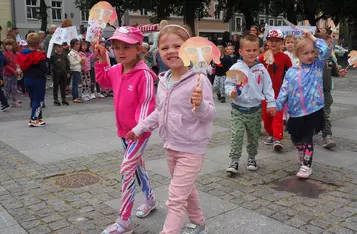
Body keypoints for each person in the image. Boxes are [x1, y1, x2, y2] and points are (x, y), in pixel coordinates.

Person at [127, 24, 215, 234]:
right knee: (186, 189)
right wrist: (139, 128)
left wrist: (200, 104)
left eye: (178, 45)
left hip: (192, 148)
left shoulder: (199, 80)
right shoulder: (164, 81)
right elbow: (159, 112)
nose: (171, 51)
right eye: (165, 48)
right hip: (170, 146)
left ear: (189, 49)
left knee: (175, 197)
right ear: (159, 53)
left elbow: (210, 115)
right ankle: (198, 222)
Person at [95, 26, 157, 234]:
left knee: (127, 170)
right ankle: (150, 199)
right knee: (137, 167)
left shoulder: (145, 75)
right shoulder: (116, 69)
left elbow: (147, 105)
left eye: (126, 47)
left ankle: (124, 221)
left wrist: (138, 130)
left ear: (139, 48)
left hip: (138, 133)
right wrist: (102, 58)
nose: (120, 51)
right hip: (123, 132)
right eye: (116, 47)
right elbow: (103, 81)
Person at [276, 31, 331, 178]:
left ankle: (307, 166)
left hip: (313, 111)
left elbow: (325, 49)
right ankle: (300, 149)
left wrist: (312, 38)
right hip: (295, 112)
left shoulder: (317, 66)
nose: (310, 56)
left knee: (307, 139)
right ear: (297, 54)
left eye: (313, 52)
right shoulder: (291, 72)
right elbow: (284, 89)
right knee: (295, 138)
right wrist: (278, 105)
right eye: (305, 53)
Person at [225, 34, 277, 174]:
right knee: (237, 135)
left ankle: (252, 158)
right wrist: (231, 92)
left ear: (259, 51)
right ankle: (234, 161)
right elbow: (228, 85)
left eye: (254, 50)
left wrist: (271, 103)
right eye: (248, 50)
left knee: (253, 136)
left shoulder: (261, 69)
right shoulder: (236, 67)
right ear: (241, 51)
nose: (252, 53)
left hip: (255, 110)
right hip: (238, 109)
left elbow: (268, 87)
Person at [259, 29, 292, 151]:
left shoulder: (285, 58)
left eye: (277, 41)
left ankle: (278, 138)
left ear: (282, 43)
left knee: (277, 116)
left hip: (279, 93)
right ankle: (271, 134)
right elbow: (255, 72)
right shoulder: (262, 57)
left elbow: (291, 73)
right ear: (267, 42)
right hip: (265, 93)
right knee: (267, 118)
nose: (274, 43)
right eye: (271, 40)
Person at [315, 33, 347, 149]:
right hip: (313, 93)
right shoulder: (311, 58)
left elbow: (335, 72)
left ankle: (327, 136)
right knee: (313, 116)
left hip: (326, 93)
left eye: (330, 46)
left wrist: (340, 73)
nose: (330, 48)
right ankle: (308, 133)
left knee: (325, 115)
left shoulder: (330, 59)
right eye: (328, 46)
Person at [17, 33, 48, 127]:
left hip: (27, 79)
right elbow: (45, 69)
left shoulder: (23, 54)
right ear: (38, 43)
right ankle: (33, 119)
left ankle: (38, 118)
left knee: (33, 99)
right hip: (38, 80)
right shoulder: (39, 55)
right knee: (38, 100)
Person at [3, 39, 21, 108]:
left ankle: (14, 101)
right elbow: (6, 65)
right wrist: (13, 70)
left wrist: (19, 69)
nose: (8, 46)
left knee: (14, 88)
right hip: (7, 75)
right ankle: (5, 102)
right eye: (6, 45)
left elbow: (18, 63)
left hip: (14, 75)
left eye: (10, 45)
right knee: (7, 89)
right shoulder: (5, 54)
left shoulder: (15, 54)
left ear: (13, 46)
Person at [68, 38, 84, 103]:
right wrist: (80, 61)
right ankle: (75, 97)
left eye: (79, 44)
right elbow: (71, 63)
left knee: (76, 84)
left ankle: (76, 97)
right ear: (73, 45)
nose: (78, 46)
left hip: (78, 69)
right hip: (74, 70)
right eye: (76, 44)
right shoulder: (71, 53)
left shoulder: (76, 52)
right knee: (75, 84)